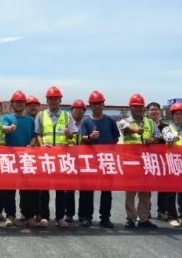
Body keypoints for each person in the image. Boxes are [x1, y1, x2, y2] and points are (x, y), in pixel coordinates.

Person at [35, 86, 75, 229]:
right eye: (50, 99)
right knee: (43, 189)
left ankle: (60, 217)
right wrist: (41, 146)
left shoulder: (67, 116)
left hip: (61, 157)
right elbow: (38, 133)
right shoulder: (40, 115)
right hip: (46, 157)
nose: (53, 101)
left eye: (55, 98)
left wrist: (68, 134)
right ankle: (44, 217)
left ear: (60, 100)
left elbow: (73, 135)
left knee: (61, 189)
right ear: (47, 100)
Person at [79, 91, 119, 228]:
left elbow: (115, 138)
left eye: (99, 103)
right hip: (90, 161)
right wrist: (91, 137)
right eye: (94, 104)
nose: (96, 106)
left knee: (106, 191)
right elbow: (83, 138)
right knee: (87, 191)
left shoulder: (110, 121)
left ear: (103, 104)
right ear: (90, 105)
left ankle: (105, 218)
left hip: (106, 160)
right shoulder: (86, 122)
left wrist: (107, 150)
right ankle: (86, 217)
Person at [119, 94, 160, 229]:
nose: (137, 108)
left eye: (140, 106)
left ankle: (143, 218)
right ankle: (130, 218)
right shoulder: (124, 121)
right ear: (130, 107)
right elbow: (128, 129)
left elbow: (158, 137)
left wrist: (151, 140)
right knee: (130, 193)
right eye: (135, 106)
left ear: (143, 108)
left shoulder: (150, 122)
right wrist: (137, 131)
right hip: (131, 162)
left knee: (145, 193)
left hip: (146, 162)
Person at [2, 91, 36, 227]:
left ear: (25, 104)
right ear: (12, 104)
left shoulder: (30, 120)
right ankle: (10, 215)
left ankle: (29, 216)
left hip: (26, 158)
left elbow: (34, 136)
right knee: (9, 188)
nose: (19, 104)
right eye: (17, 102)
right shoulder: (7, 117)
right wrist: (9, 129)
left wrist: (31, 145)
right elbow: (3, 128)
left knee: (27, 188)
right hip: (10, 157)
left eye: (21, 102)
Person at [61, 98, 87, 225]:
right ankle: (69, 213)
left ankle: (83, 215)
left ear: (84, 111)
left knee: (85, 189)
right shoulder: (66, 123)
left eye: (81, 109)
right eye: (75, 108)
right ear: (71, 110)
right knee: (69, 189)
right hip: (69, 159)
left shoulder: (87, 123)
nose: (78, 111)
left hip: (84, 159)